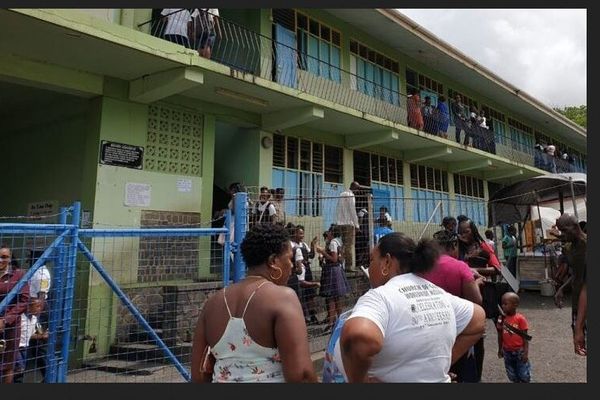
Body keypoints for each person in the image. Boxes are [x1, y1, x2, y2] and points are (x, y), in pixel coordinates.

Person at [336, 233, 486, 382]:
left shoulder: (380, 297)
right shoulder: (437, 293)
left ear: (387, 262)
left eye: (372, 260)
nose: (369, 267)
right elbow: (478, 318)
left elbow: (358, 337)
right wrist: (438, 367)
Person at [190, 223, 317, 383]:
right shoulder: (283, 298)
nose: (292, 265)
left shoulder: (213, 303)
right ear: (273, 261)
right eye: (289, 258)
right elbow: (302, 375)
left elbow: (198, 375)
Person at [422, 230, 483, 383]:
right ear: (454, 245)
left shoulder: (422, 266)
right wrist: (477, 283)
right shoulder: (460, 267)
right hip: (458, 329)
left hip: (429, 328)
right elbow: (476, 301)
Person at [457, 218, 500, 382]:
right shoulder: (457, 248)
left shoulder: (483, 246)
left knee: (477, 335)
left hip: (479, 295)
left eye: (466, 231)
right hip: (460, 296)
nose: (463, 235)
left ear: (473, 230)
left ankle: (478, 376)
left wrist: (474, 270)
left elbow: (497, 269)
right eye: (460, 232)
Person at [554, 214, 587, 356]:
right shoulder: (569, 248)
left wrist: (579, 327)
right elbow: (578, 274)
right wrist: (562, 288)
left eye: (565, 231)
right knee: (581, 348)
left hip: (586, 302)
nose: (563, 235)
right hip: (577, 302)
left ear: (575, 227)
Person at [0, 245, 31, 383]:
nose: (0, 260)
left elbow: (24, 300)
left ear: (10, 258)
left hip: (11, 325)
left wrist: (6, 319)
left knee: (7, 364)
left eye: (4, 257)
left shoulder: (18, 274)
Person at [316, 225, 350, 333]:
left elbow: (334, 259)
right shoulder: (338, 241)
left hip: (332, 271)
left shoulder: (333, 243)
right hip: (337, 270)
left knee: (331, 298)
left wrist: (322, 252)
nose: (328, 233)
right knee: (337, 297)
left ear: (332, 233)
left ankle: (331, 323)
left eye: (329, 231)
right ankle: (340, 321)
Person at [496, 292, 531, 383]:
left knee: (523, 374)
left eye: (505, 304)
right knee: (511, 374)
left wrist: (525, 353)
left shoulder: (520, 319)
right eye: (502, 304)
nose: (503, 306)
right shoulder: (501, 318)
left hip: (519, 351)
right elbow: (499, 334)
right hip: (507, 351)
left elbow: (525, 337)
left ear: (515, 305)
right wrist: (500, 349)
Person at [291, 225, 321, 325]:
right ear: (294, 233)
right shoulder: (292, 245)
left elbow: (311, 255)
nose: (302, 235)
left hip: (307, 270)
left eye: (303, 233)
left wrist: (313, 245)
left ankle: (312, 315)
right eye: (300, 233)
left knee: (310, 294)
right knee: (300, 294)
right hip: (299, 271)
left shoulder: (304, 245)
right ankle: (303, 316)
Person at [13, 298, 44, 384]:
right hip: (17, 347)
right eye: (37, 306)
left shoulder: (34, 319)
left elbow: (31, 335)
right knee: (20, 368)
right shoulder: (21, 318)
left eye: (40, 306)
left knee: (21, 370)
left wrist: (42, 336)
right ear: (29, 307)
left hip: (25, 348)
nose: (39, 309)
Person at [335, 182, 360, 271]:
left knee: (342, 244)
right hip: (349, 224)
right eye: (357, 188)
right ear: (354, 187)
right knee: (349, 245)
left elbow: (337, 208)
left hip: (341, 223)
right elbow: (352, 210)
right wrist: (357, 225)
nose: (357, 191)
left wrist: (338, 222)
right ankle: (349, 266)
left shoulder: (342, 194)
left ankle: (340, 264)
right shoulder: (351, 195)